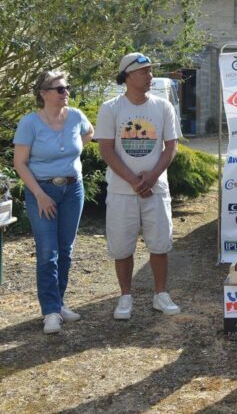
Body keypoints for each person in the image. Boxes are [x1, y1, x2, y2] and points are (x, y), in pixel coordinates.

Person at [95, 53, 182, 320]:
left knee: (160, 244)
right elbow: (106, 149)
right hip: (121, 191)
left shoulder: (163, 106)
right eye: (144, 71)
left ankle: (160, 294)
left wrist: (152, 177)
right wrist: (133, 181)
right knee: (122, 247)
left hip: (156, 189)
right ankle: (125, 297)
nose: (150, 76)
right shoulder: (110, 108)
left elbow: (171, 146)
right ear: (128, 76)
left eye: (150, 71)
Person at [13, 71, 94, 334]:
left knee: (65, 250)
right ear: (43, 93)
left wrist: (70, 158)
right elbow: (19, 163)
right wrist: (40, 194)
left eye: (67, 87)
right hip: (42, 190)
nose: (66, 92)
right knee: (48, 252)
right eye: (60, 89)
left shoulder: (76, 116)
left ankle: (58, 304)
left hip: (73, 190)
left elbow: (89, 133)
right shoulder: (30, 123)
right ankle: (49, 311)